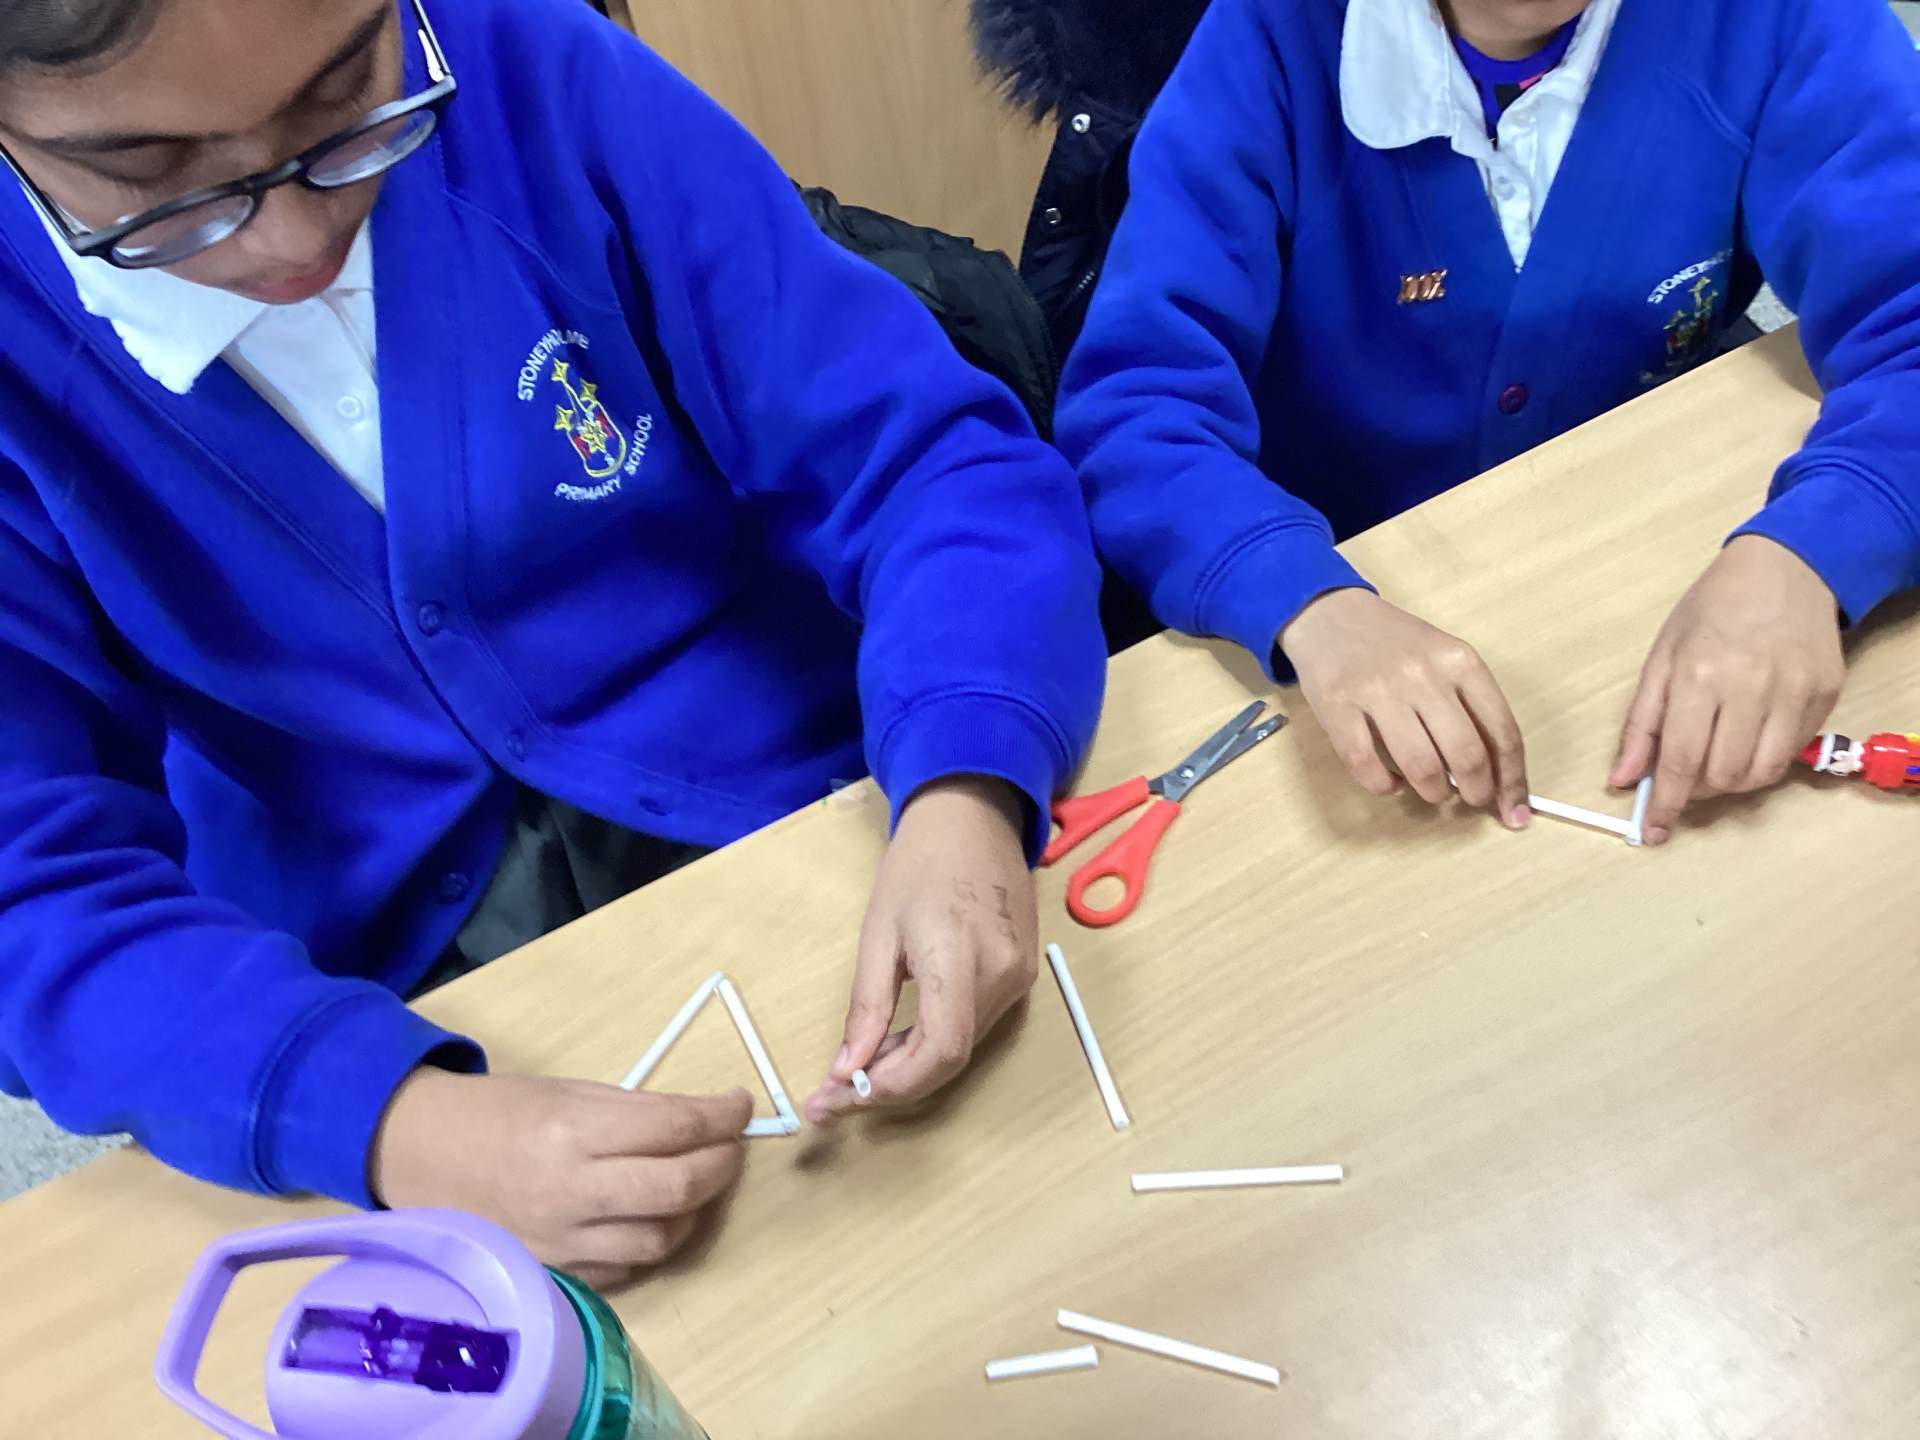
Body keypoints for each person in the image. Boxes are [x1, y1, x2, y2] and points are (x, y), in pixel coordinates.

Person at [0, 0, 1105, 1287]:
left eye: (341, 94)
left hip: (806, 808)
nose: (293, 239)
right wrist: (385, 1121)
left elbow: (933, 467)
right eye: (150, 175)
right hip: (375, 984)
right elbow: (34, 898)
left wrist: (967, 778)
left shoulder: (529, 67)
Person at [1054, 0, 1920, 845]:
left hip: (1641, 562)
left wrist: (1810, 551)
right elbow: (1137, 410)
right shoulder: (1269, 45)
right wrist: (1301, 599)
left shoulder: (1782, 21)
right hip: (1347, 578)